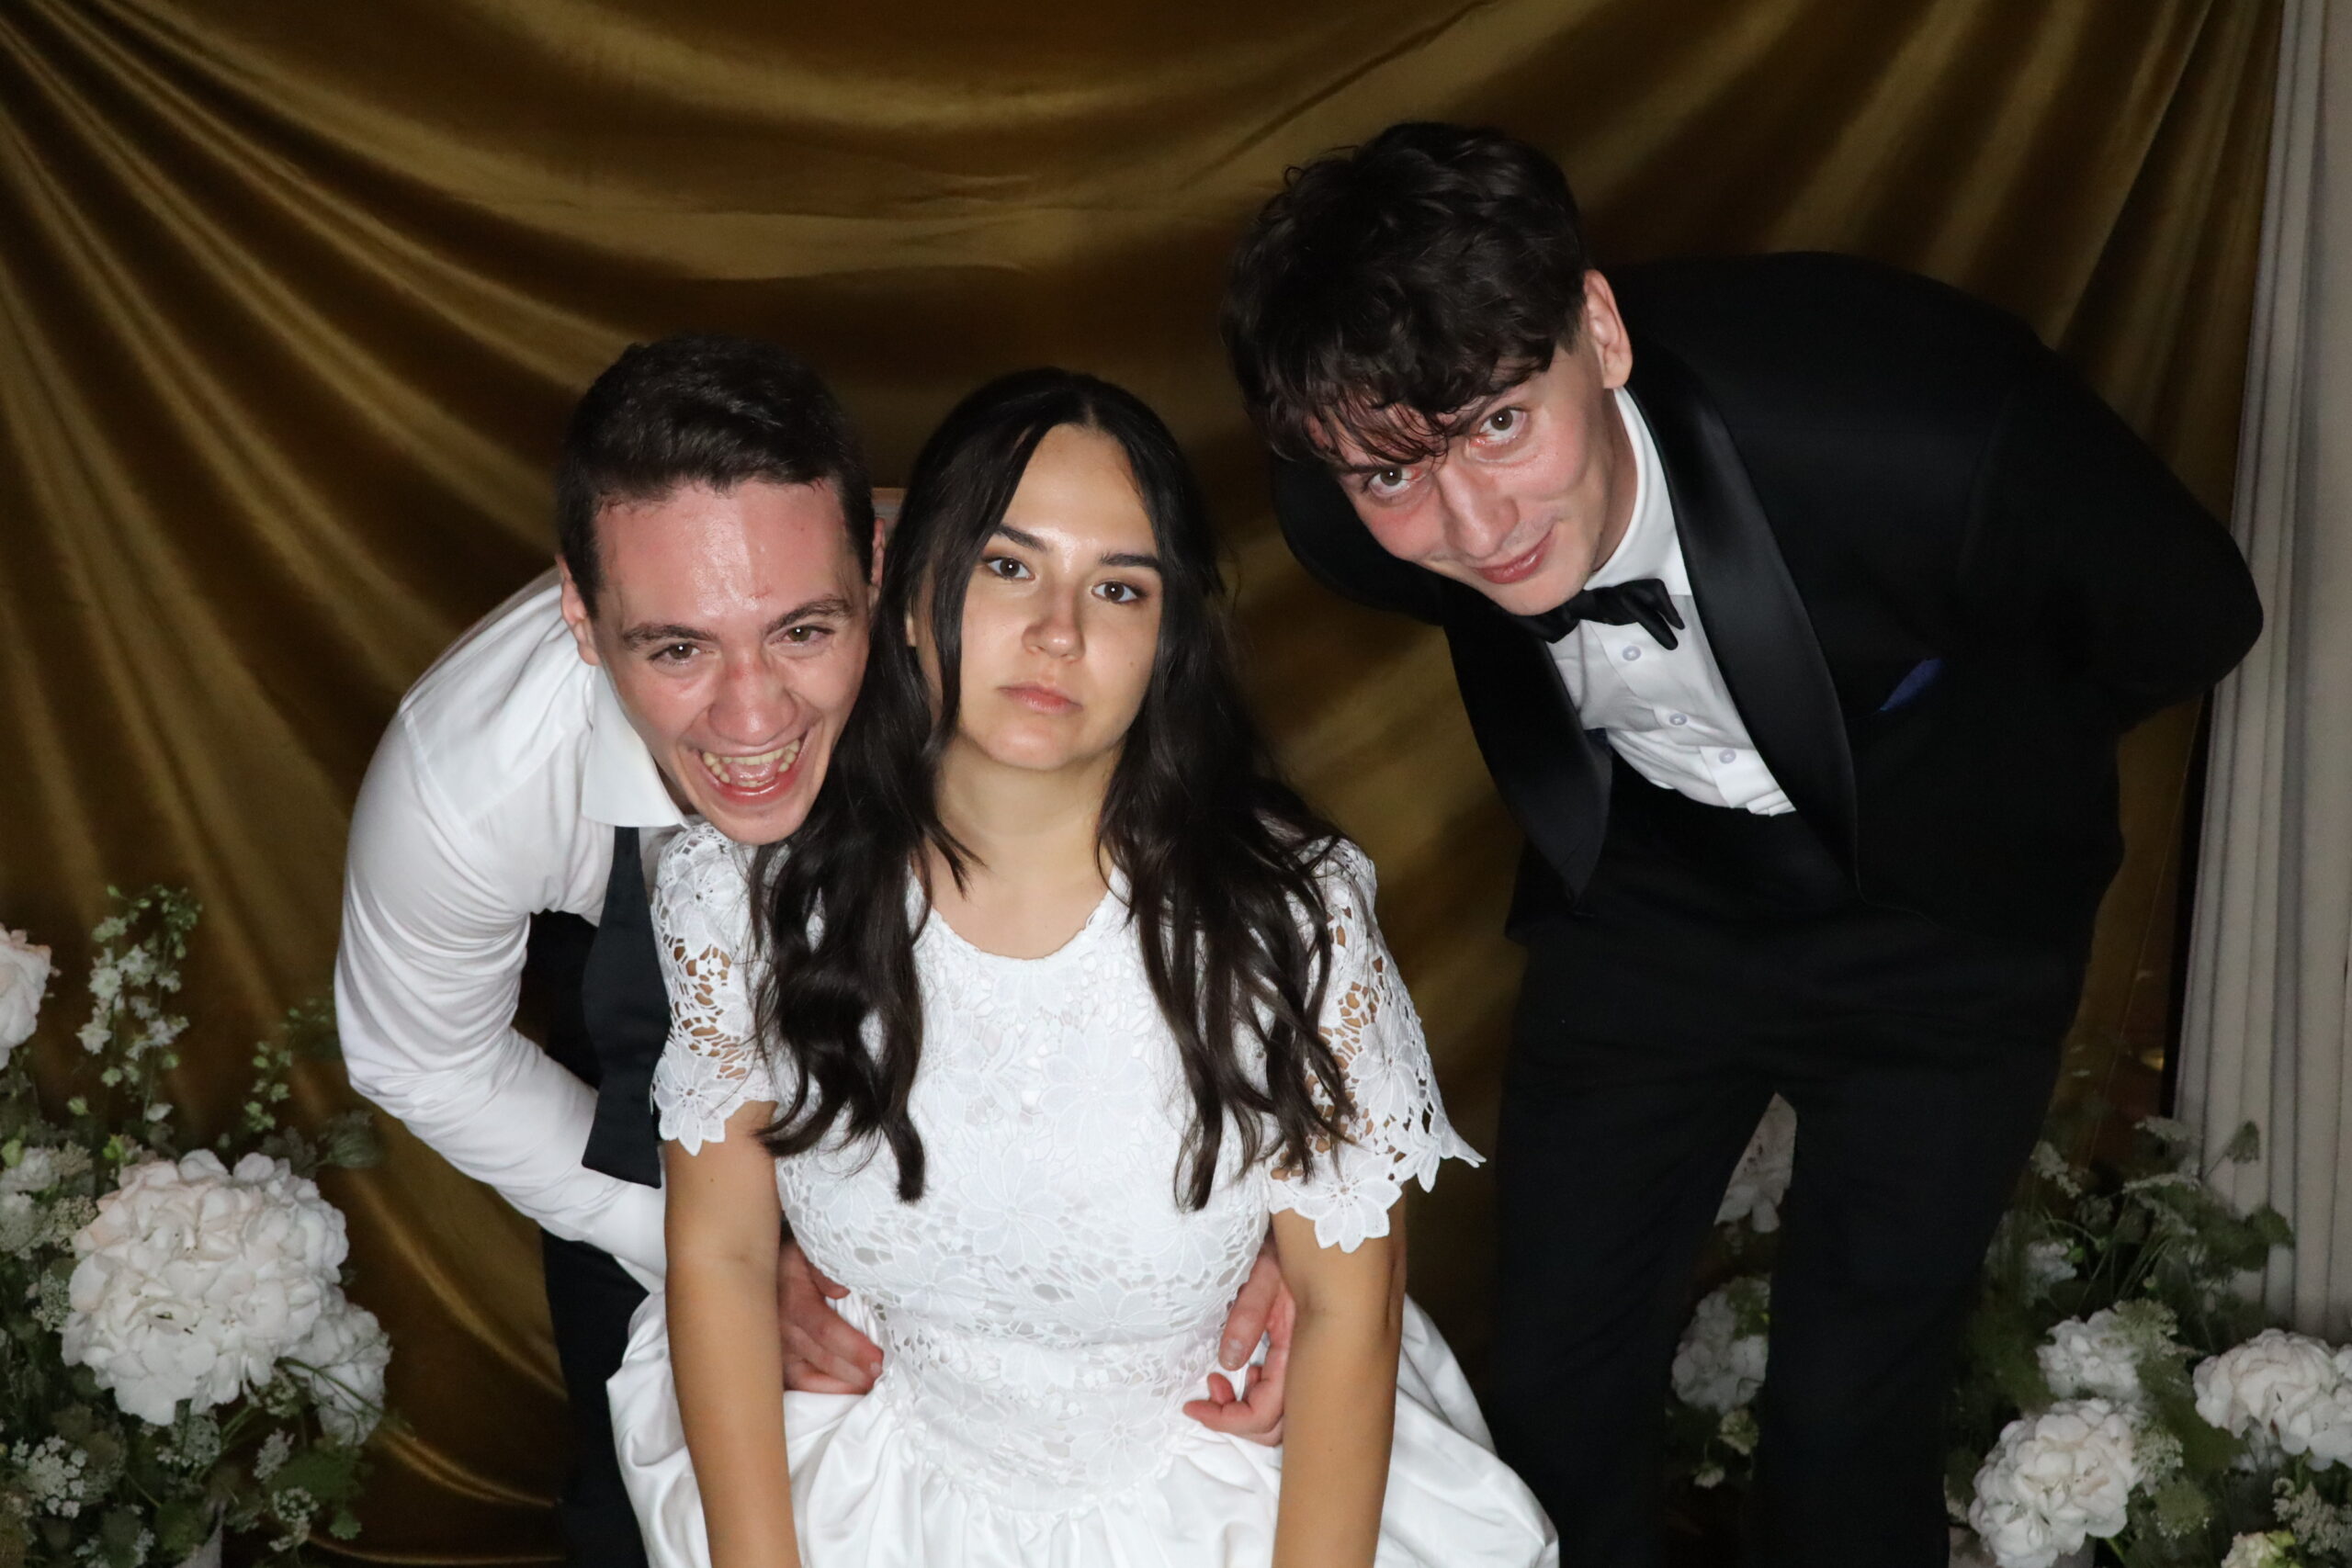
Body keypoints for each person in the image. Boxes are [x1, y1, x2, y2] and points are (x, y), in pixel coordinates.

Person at [1218, 123, 2263, 1567]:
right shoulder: (1347, 501)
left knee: (1848, 1410)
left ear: (1597, 331)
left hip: (1946, 914)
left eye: (1502, 425)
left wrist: (1955, 774)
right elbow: (1433, 525)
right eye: (1397, 475)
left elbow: (2193, 617)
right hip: (1652, 895)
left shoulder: (1920, 428)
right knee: (1555, 1373)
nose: (1474, 522)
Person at [334, 336, 1284, 1568]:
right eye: (676, 649)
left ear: (879, 570)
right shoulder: (468, 776)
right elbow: (423, 1057)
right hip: (668, 1108)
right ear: (581, 611)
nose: (753, 718)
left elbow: (1200, 871)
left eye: (800, 631)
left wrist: (1245, 1235)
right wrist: (703, 1247)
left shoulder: (998, 605)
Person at [604, 368, 1556, 1567]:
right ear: (908, 592)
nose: (1059, 631)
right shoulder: (748, 892)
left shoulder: (1289, 918)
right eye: (1008, 566)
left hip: (1221, 1497)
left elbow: (1345, 1310)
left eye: (1118, 588)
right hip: (876, 1492)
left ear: (1165, 643)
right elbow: (723, 1253)